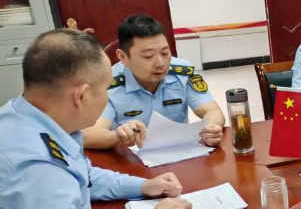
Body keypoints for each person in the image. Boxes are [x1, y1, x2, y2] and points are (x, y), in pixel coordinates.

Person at [0, 29, 200, 209]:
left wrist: (142, 186)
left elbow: (83, 174)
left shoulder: (27, 116)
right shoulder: (37, 165)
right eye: (106, 88)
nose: (108, 97)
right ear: (81, 96)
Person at [82, 14, 225, 150]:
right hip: (130, 159)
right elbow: (89, 135)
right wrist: (117, 137)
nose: (160, 63)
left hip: (179, 153)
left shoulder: (181, 72)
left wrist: (212, 128)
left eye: (165, 53)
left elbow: (212, 110)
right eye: (148, 56)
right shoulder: (108, 82)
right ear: (123, 57)